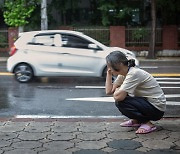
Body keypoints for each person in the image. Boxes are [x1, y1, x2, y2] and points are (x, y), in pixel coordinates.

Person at [105, 51, 166, 134]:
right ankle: (136, 120)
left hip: (156, 109)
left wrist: (118, 91)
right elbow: (109, 91)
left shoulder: (133, 73)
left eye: (110, 66)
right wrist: (109, 74)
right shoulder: (123, 74)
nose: (109, 68)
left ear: (119, 64)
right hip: (148, 104)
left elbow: (118, 97)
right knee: (122, 100)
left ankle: (147, 123)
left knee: (122, 102)